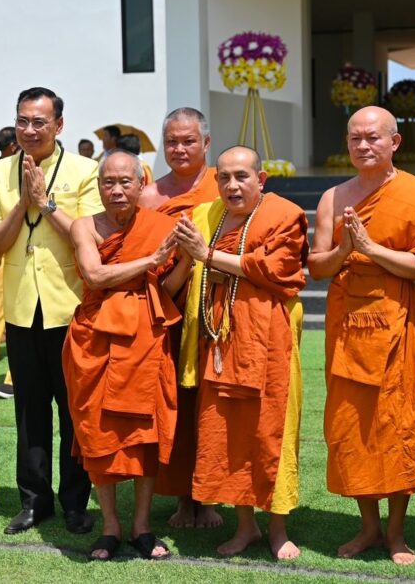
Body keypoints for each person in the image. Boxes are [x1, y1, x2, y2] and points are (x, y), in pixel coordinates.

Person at [308, 106, 415, 565]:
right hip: (347, 321)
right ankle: (368, 527)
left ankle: (396, 533)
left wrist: (371, 248)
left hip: (394, 319)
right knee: (351, 426)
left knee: (397, 423)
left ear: (395, 142)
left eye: (373, 137)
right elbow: (317, 266)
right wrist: (345, 249)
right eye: (355, 138)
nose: (363, 145)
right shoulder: (333, 197)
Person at [172, 146, 307, 560]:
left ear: (260, 179)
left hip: (269, 341)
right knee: (227, 433)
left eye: (242, 176)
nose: (232, 185)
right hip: (219, 339)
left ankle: (278, 528)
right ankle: (245, 526)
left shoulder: (283, 214)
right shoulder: (207, 215)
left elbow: (275, 269)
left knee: (271, 432)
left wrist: (209, 256)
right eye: (224, 177)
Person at [0, 87, 101, 536]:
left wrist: (46, 203)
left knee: (73, 413)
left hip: (69, 308)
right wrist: (22, 204)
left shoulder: (84, 171)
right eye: (22, 121)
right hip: (20, 308)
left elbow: (90, 239)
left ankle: (75, 502)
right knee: (30, 412)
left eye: (39, 122)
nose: (29, 130)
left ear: (59, 125)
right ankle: (34, 502)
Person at [64, 150, 186, 561]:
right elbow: (96, 275)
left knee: (143, 434)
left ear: (140, 184)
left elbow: (166, 289)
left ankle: (142, 526)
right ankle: (110, 526)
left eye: (125, 182)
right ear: (98, 187)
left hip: (145, 335)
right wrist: (153, 259)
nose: (116, 190)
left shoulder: (160, 226)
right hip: (95, 338)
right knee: (97, 432)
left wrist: (186, 258)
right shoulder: (84, 225)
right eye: (108, 182)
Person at [138, 107, 221, 529]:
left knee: (213, 402)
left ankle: (210, 496)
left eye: (189, 141)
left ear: (206, 143)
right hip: (169, 307)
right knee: (176, 402)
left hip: (217, 308)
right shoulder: (151, 196)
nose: (180, 148)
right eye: (172, 141)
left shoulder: (224, 185)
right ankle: (183, 499)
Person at [0, 126, 19, 399]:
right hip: (2, 254)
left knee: (10, 316)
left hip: (11, 254)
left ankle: (11, 377)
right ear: (12, 147)